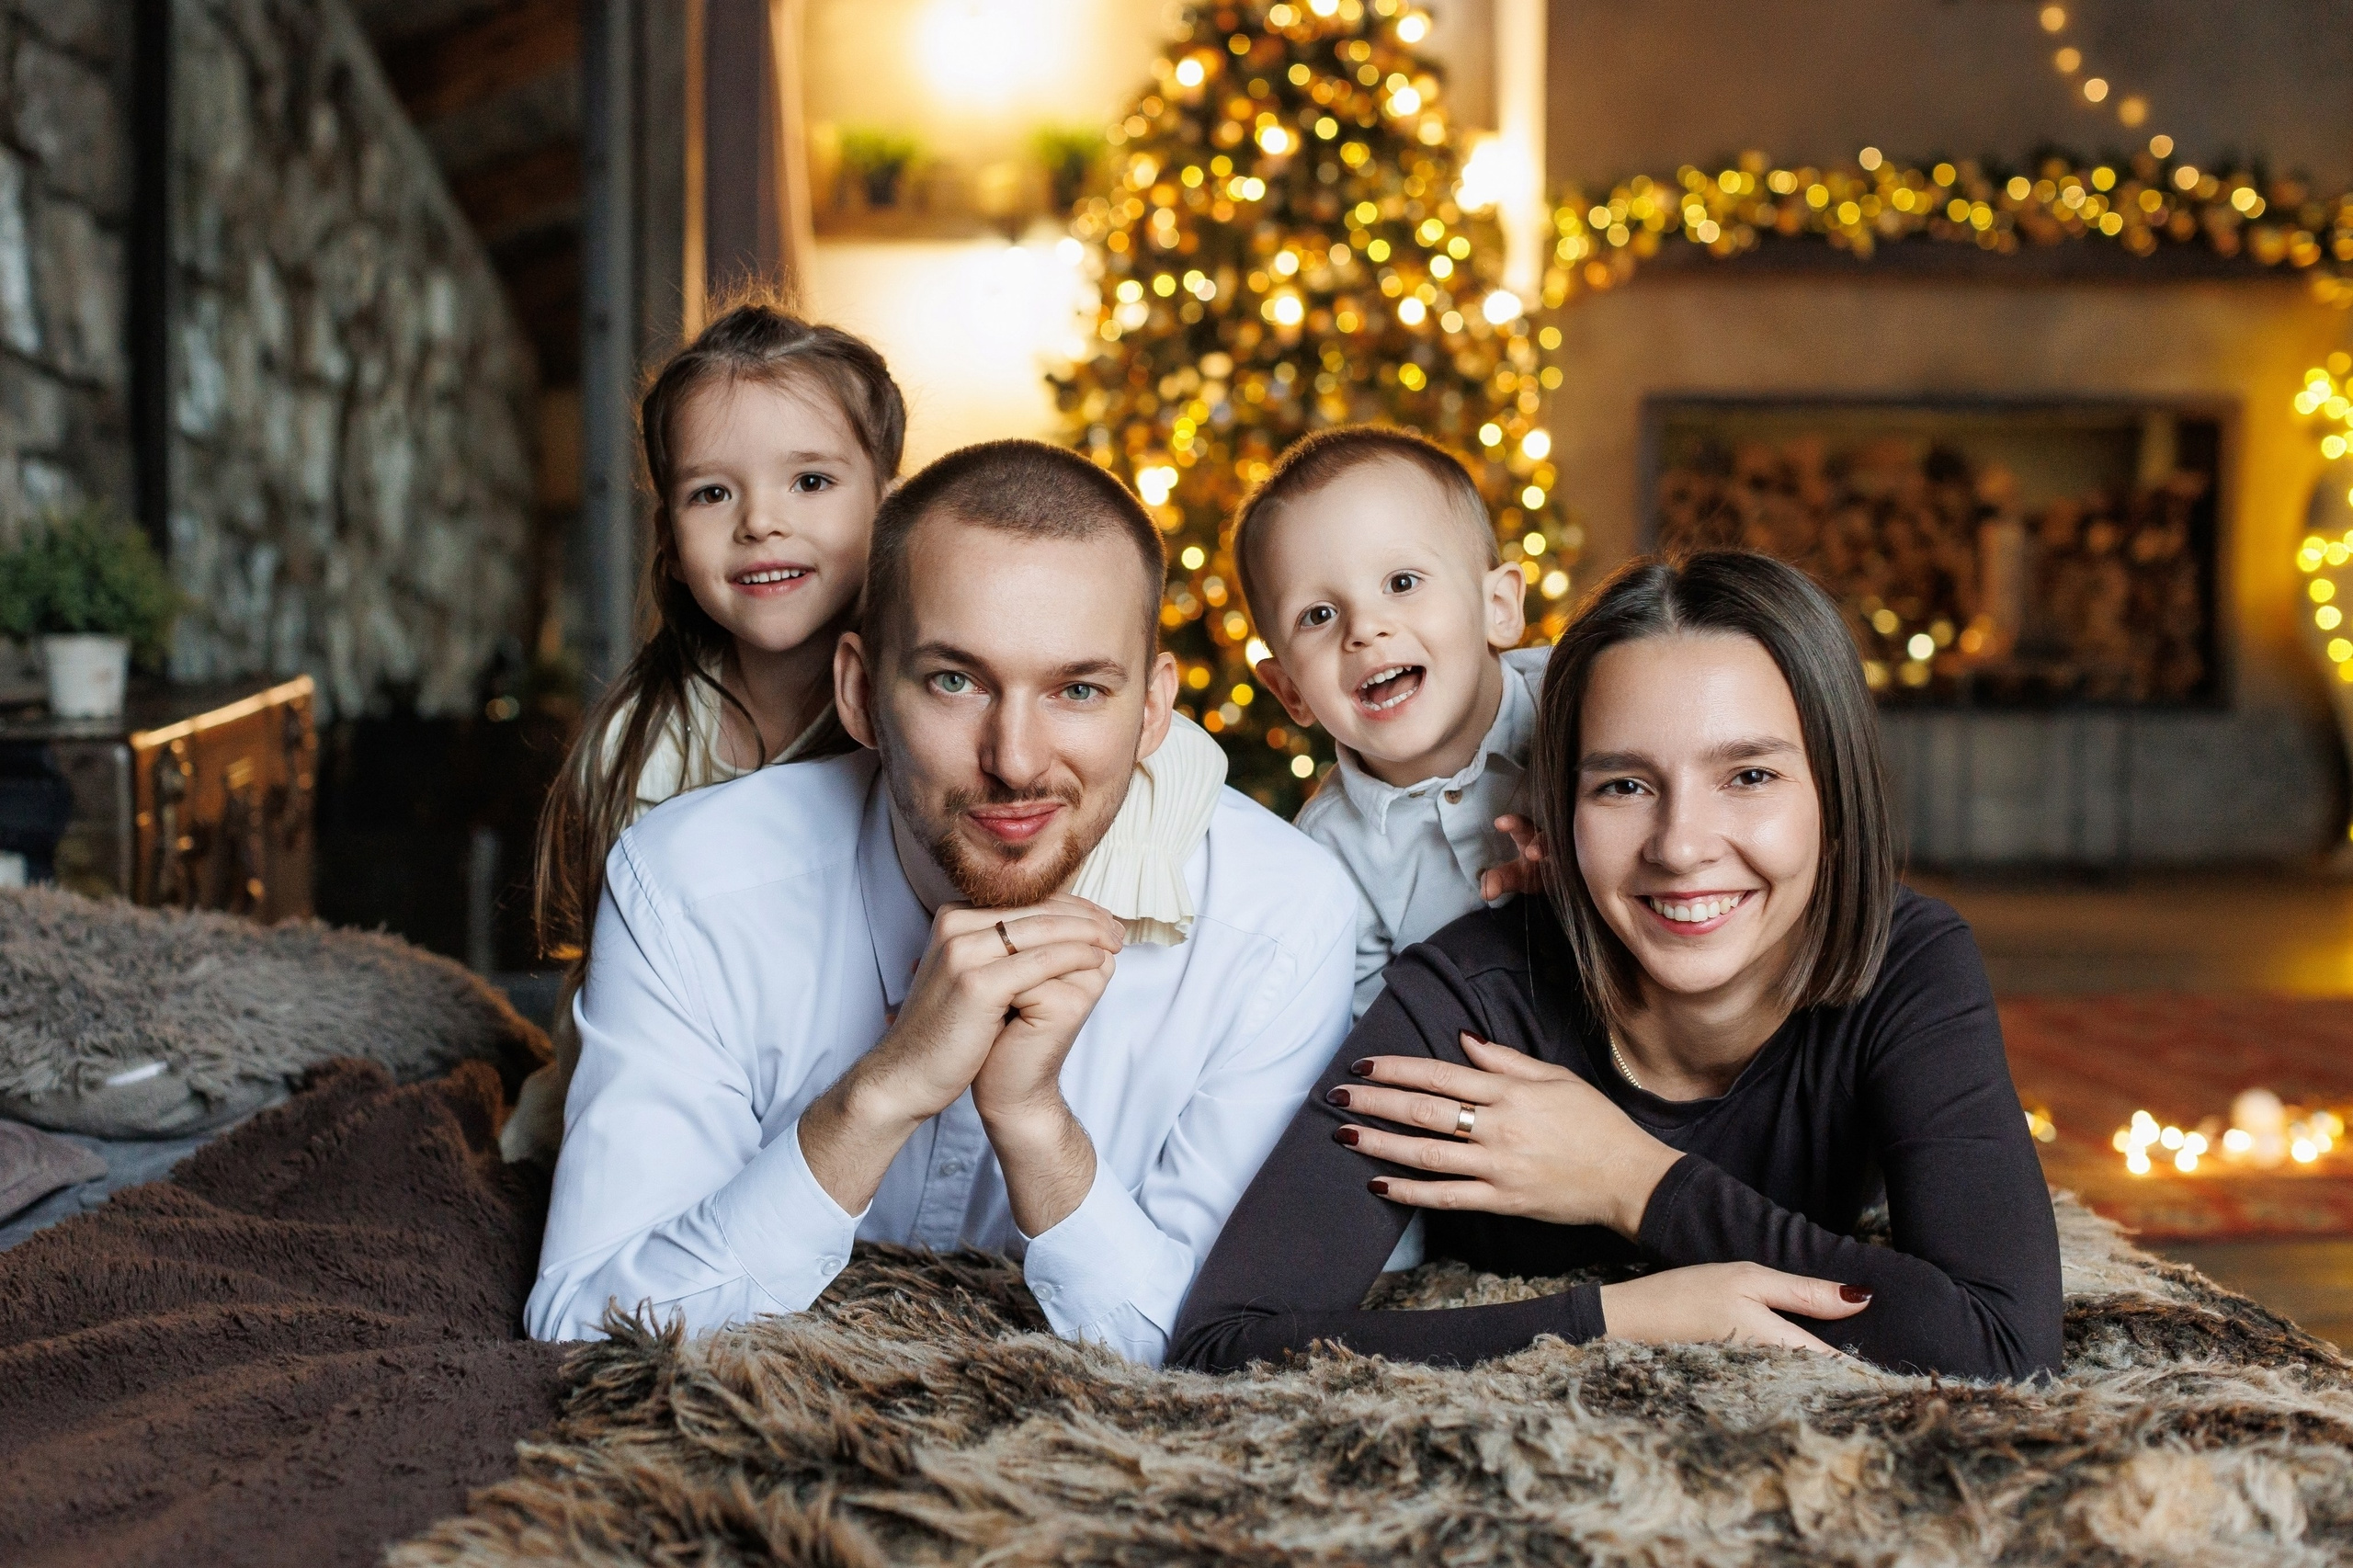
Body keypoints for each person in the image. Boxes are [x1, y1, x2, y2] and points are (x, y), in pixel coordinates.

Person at [525, 438, 1358, 1361]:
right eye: (954, 680)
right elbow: (580, 1319)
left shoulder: (1279, 917)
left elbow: (1228, 1354)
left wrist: (1039, 1129)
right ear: (858, 691)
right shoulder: (688, 883)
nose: (1016, 758)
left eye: (1078, 688)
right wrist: (880, 1093)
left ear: (1154, 710)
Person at [1172, 550, 2064, 1381]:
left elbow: (2003, 1342)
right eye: (1623, 786)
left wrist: (1630, 1177)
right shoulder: (1463, 1005)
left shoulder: (1906, 963)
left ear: (1835, 790)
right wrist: (1618, 1317)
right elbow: (1225, 1343)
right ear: (1560, 813)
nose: (1680, 847)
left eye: (1748, 775)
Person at [505, 302, 1224, 1162]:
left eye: (810, 482)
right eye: (711, 492)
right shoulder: (644, 736)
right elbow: (634, 984)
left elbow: (1173, 760)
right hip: (670, 1105)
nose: (760, 522)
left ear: (888, 506)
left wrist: (1085, 906)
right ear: (668, 530)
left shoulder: (956, 714)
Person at [1237, 426, 1552, 1021]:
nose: (1364, 628)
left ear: (1499, 608)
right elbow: (1373, 1038)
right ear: (1288, 691)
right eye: (1319, 614)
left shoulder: (1587, 699)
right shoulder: (1326, 860)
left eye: (1402, 583)